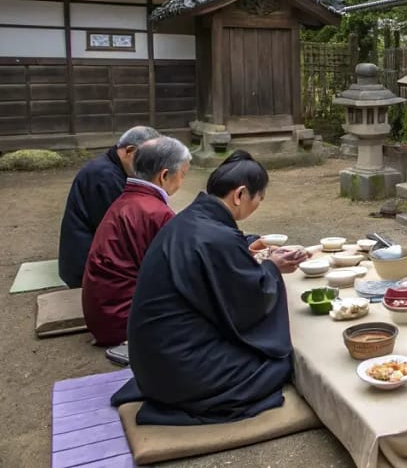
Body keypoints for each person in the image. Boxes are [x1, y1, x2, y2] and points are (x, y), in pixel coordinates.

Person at [111, 150, 306, 425]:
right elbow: (247, 302)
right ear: (239, 195)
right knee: (278, 362)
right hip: (179, 370)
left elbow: (219, 274)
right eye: (259, 198)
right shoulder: (214, 237)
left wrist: (247, 250)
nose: (258, 204)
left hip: (154, 360)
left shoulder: (190, 220)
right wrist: (272, 268)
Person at [81, 136, 191, 346]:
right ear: (165, 175)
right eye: (183, 175)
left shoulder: (128, 200)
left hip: (103, 313)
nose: (182, 181)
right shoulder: (155, 212)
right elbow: (176, 272)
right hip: (123, 320)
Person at [58, 126, 160, 287]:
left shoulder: (112, 168)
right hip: (86, 267)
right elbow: (124, 229)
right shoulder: (104, 176)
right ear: (130, 151)